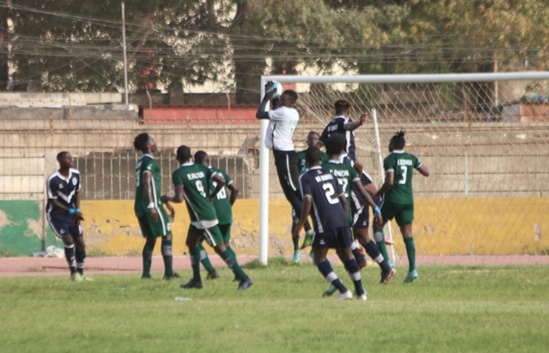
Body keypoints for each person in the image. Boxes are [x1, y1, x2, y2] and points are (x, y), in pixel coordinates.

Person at [161, 145, 253, 290]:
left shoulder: (178, 174)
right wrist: (211, 195)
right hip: (200, 217)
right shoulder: (202, 168)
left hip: (202, 217)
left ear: (177, 158)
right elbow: (221, 181)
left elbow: (179, 199)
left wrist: (167, 198)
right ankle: (196, 280)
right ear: (191, 156)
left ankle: (244, 277)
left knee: (220, 248)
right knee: (191, 243)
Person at [320, 134, 393, 298]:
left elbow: (358, 169)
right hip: (349, 201)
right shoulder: (334, 163)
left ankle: (374, 267)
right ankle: (369, 267)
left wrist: (374, 206)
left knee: (360, 236)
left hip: (357, 200)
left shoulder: (346, 161)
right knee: (349, 239)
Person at [293, 146, 367, 300]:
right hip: (341, 219)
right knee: (347, 255)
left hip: (324, 222)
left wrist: (301, 225)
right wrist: (344, 219)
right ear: (321, 160)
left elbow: (307, 201)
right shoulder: (329, 174)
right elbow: (343, 201)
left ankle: (343, 290)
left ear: (306, 161)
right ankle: (360, 292)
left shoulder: (305, 177)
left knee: (319, 257)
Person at [256, 81, 305, 263]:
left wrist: (267, 97)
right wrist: (275, 100)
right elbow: (274, 115)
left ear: (290, 100)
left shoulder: (284, 112)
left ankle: (308, 228)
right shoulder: (289, 112)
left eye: (284, 97)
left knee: (294, 192)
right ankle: (307, 226)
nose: (281, 99)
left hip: (285, 155)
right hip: (282, 154)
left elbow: (259, 113)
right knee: (290, 195)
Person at [374, 130, 429, 283]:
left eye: (389, 143)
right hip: (408, 200)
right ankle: (412, 270)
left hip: (393, 199)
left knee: (377, 226)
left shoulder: (390, 159)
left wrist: (377, 193)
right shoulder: (411, 158)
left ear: (392, 145)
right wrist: (414, 166)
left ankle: (387, 262)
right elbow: (426, 172)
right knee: (407, 234)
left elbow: (390, 181)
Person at [133, 132, 178, 280]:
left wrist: (164, 202)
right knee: (167, 235)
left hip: (140, 204)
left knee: (151, 238)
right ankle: (169, 273)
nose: (155, 143)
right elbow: (147, 182)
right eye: (153, 141)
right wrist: (153, 205)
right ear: (148, 146)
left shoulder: (140, 162)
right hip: (150, 204)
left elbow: (150, 185)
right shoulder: (149, 161)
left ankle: (146, 274)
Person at [193, 150, 240, 281]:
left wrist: (211, 198)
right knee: (225, 244)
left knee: (195, 243)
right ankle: (237, 273)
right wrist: (229, 205)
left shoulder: (199, 174)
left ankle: (211, 271)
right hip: (226, 212)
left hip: (212, 214)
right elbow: (235, 189)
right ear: (208, 160)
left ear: (195, 162)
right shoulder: (220, 172)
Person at [46, 151, 90, 281]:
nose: (71, 160)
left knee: (80, 243)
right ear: (60, 161)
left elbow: (77, 193)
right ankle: (73, 272)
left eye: (71, 158)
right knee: (69, 240)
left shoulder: (76, 174)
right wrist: (71, 211)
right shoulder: (53, 179)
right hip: (56, 215)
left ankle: (81, 274)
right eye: (67, 158)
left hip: (72, 214)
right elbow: (53, 201)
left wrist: (77, 210)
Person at [294, 131, 328, 254]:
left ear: (319, 141)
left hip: (317, 192)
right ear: (307, 140)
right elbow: (295, 173)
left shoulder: (324, 157)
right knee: (296, 219)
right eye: (311, 138)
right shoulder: (299, 156)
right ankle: (296, 251)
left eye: (315, 138)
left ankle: (315, 250)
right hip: (302, 191)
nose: (313, 140)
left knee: (317, 221)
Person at [317, 99, 366, 174]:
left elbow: (319, 144)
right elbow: (347, 126)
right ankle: (354, 185)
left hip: (332, 158)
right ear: (347, 110)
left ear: (335, 111)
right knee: (357, 174)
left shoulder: (329, 125)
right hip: (346, 156)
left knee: (359, 167)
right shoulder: (345, 120)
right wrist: (360, 123)